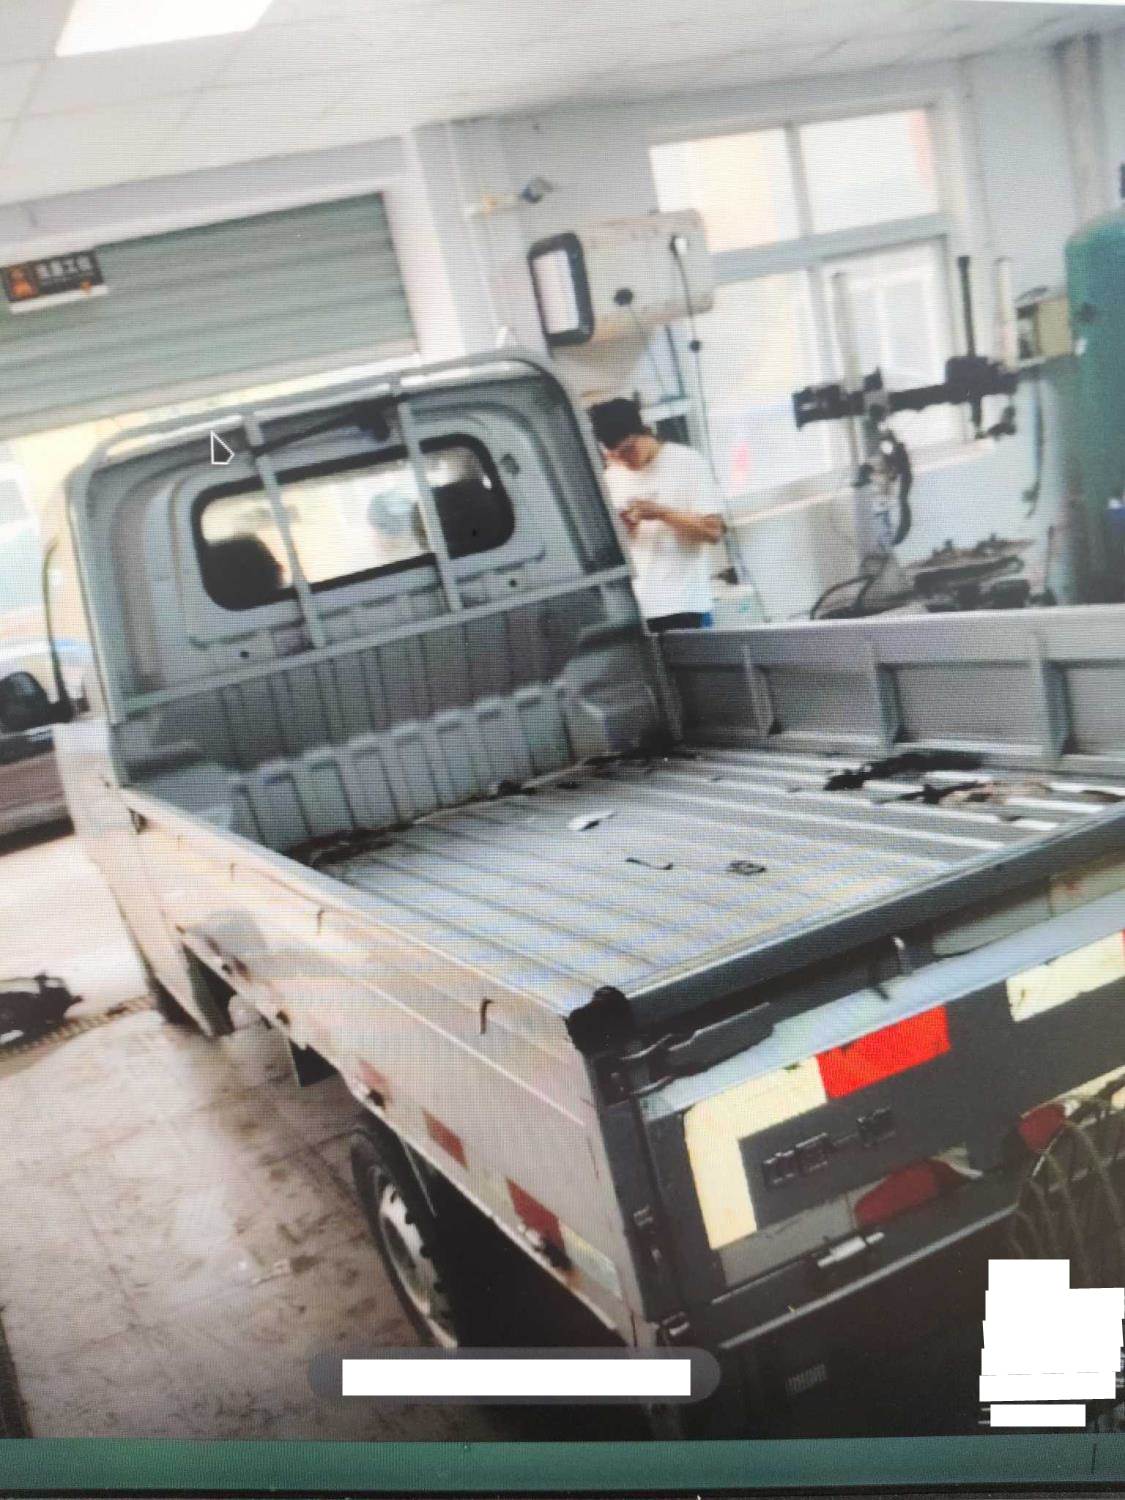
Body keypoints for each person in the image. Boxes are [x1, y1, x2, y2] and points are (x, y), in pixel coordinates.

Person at [588, 397, 725, 632]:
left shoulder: (687, 462)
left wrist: (661, 513)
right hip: (636, 608)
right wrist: (625, 528)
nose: (624, 460)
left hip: (684, 603)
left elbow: (713, 532)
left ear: (645, 431)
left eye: (628, 449)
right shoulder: (612, 477)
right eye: (615, 454)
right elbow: (610, 552)